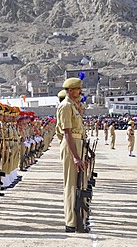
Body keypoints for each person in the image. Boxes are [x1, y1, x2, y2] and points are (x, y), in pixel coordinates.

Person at [56, 77, 87, 233]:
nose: (79, 91)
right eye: (77, 89)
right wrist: (75, 156)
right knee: (71, 184)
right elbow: (67, 133)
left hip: (77, 144)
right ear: (70, 90)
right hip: (71, 146)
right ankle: (70, 222)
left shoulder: (73, 106)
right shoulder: (66, 106)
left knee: (79, 183)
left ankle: (78, 218)